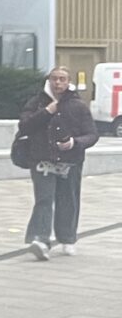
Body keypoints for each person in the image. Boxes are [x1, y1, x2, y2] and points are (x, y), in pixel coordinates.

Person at [17, 66, 97, 260]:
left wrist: (74, 143)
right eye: (54, 79)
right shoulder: (36, 102)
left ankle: (67, 238)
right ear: (49, 80)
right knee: (44, 199)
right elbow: (24, 126)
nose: (58, 83)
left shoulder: (78, 105)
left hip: (70, 161)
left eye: (62, 79)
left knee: (68, 199)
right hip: (41, 160)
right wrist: (46, 111)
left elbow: (92, 134)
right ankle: (40, 240)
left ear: (68, 82)